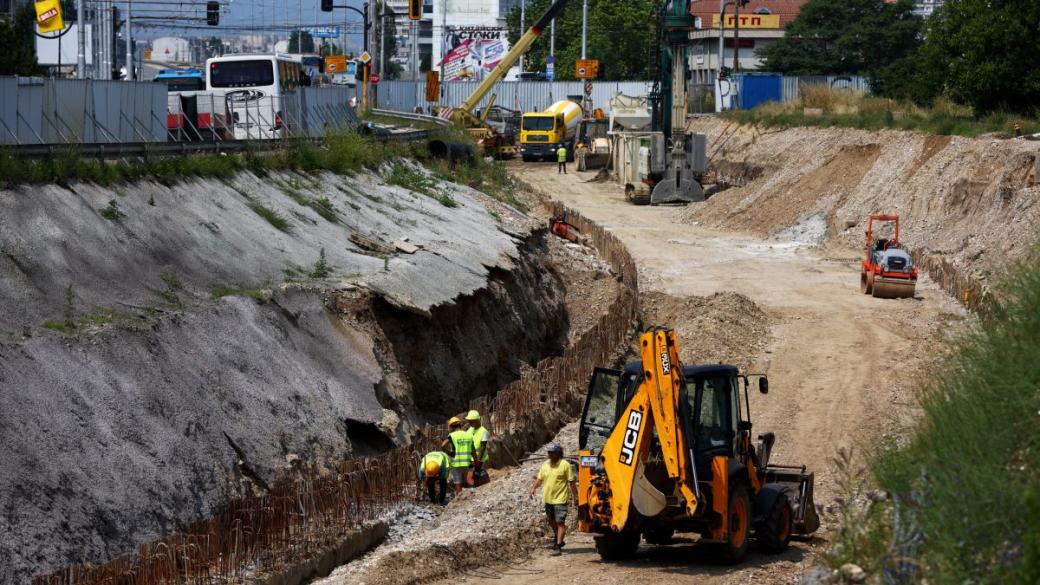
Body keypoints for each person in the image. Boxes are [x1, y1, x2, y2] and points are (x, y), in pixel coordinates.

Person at [529, 442, 577, 556]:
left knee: (560, 522)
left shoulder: (565, 465)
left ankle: (558, 545)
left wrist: (576, 497)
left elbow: (572, 482)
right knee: (551, 521)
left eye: (552, 453)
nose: (549, 455)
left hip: (560, 499)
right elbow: (540, 479)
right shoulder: (545, 464)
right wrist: (533, 488)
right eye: (548, 453)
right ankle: (558, 537)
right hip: (548, 498)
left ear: (558, 454)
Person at [442, 416, 474, 494]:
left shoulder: (452, 436)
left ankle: (459, 501)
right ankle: (472, 498)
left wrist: (449, 452)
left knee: (458, 483)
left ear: (452, 427)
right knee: (469, 481)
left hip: (456, 464)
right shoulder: (469, 435)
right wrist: (476, 461)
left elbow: (443, 445)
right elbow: (473, 450)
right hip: (468, 463)